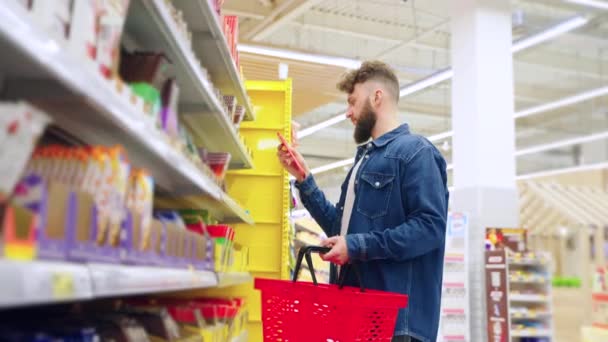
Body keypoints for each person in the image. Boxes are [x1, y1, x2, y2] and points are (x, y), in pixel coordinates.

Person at [277, 61, 449, 342]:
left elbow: (429, 228)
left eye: (353, 102)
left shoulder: (417, 153)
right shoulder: (364, 161)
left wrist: (357, 246)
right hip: (359, 319)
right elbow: (341, 229)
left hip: (397, 326)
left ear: (377, 97)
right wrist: (304, 179)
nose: (348, 113)